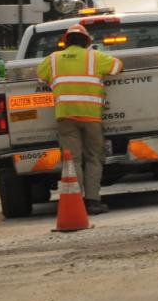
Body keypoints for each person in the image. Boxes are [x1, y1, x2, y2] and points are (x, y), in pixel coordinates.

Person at [37, 23, 123, 215]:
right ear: (87, 42)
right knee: (93, 158)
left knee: (72, 159)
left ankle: (75, 200)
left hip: (66, 116)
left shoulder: (53, 59)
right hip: (91, 116)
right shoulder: (94, 57)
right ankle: (92, 202)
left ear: (65, 42)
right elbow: (118, 66)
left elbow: (40, 75)